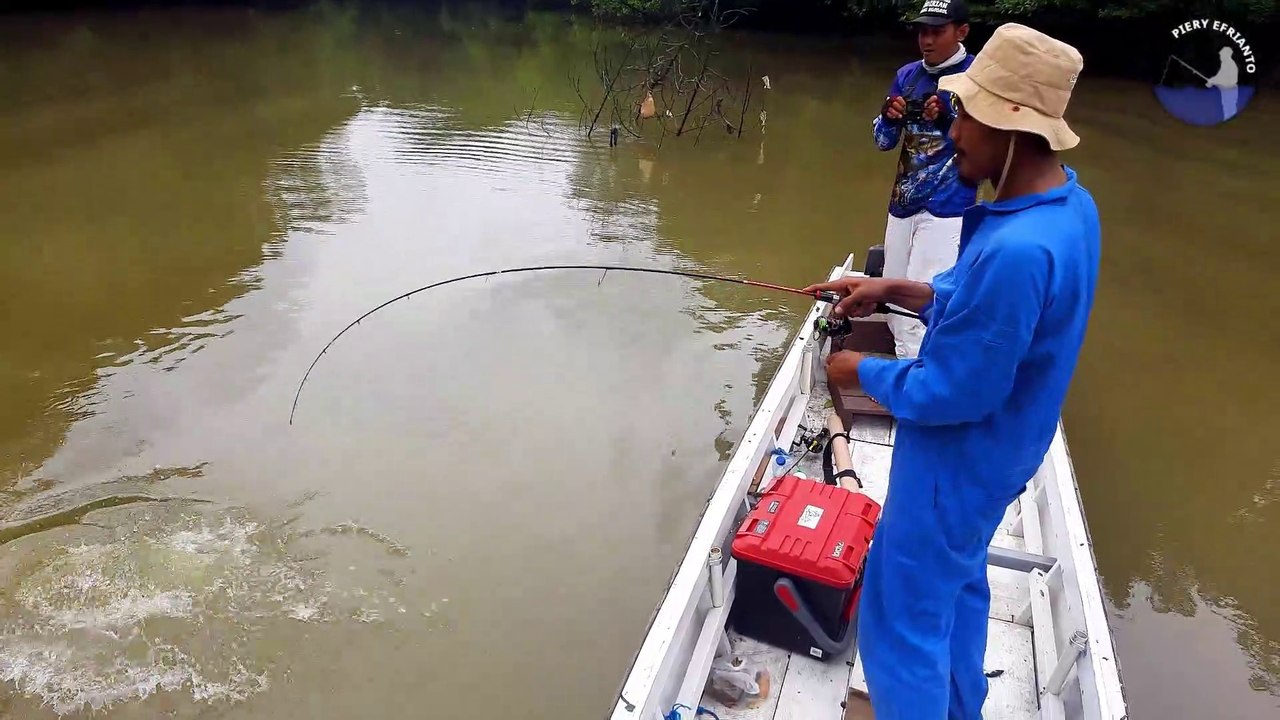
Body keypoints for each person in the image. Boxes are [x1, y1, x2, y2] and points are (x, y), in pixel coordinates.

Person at [806, 23, 1097, 719]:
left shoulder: (1018, 251)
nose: (954, 128)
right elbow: (992, 320)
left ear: (1013, 130)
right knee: (960, 584)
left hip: (954, 465)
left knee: (900, 623)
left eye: (968, 113)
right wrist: (899, 292)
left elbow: (954, 391)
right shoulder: (1068, 209)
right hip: (999, 459)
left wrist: (860, 370)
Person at [872, 0, 976, 359]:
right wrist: (888, 117)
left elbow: (990, 144)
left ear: (961, 32)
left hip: (949, 207)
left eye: (937, 31)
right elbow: (882, 143)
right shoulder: (907, 75)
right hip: (902, 202)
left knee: (920, 299)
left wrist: (950, 117)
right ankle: (908, 361)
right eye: (922, 31)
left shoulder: (978, 77)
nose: (927, 40)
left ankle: (911, 390)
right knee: (891, 291)